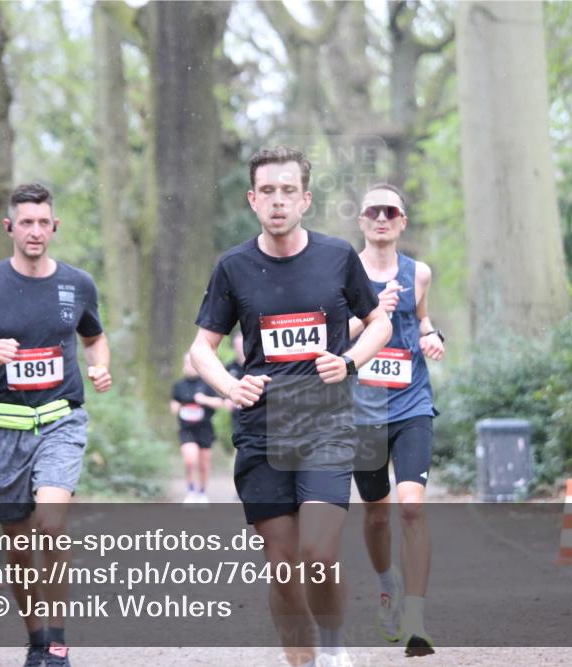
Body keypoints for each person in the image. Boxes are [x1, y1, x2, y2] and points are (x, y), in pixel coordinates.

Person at [189, 146, 392, 667]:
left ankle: (332, 648)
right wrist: (229, 387)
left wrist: (348, 363)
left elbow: (381, 324)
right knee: (282, 566)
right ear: (253, 200)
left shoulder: (336, 257)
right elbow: (200, 349)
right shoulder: (233, 267)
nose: (278, 202)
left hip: (325, 422)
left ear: (305, 199)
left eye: (288, 191)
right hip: (261, 430)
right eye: (268, 192)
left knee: (318, 556)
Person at [0, 183, 112, 667]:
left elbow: (96, 338)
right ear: (9, 226)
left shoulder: (77, 284)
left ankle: (57, 644)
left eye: (44, 222)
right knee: (18, 550)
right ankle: (36, 641)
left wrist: (100, 366)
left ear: (54, 226)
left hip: (61, 421)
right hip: (3, 429)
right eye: (26, 222)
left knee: (51, 527)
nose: (35, 231)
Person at [347, 184, 445, 657]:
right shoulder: (344, 272)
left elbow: (423, 320)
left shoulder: (419, 273)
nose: (382, 218)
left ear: (402, 221)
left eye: (391, 212)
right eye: (373, 211)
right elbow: (331, 332)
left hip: (411, 405)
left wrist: (433, 337)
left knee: (411, 506)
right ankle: (388, 584)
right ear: (362, 220)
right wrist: (371, 316)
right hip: (362, 411)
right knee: (377, 511)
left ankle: (416, 616)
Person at [170, 352, 225, 502]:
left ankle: (202, 492)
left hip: (205, 428)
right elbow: (174, 402)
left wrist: (204, 400)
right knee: (190, 460)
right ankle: (191, 491)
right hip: (187, 429)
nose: (189, 366)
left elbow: (220, 403)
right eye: (186, 363)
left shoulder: (207, 384)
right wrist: (176, 407)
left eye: (192, 363)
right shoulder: (179, 385)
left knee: (204, 464)